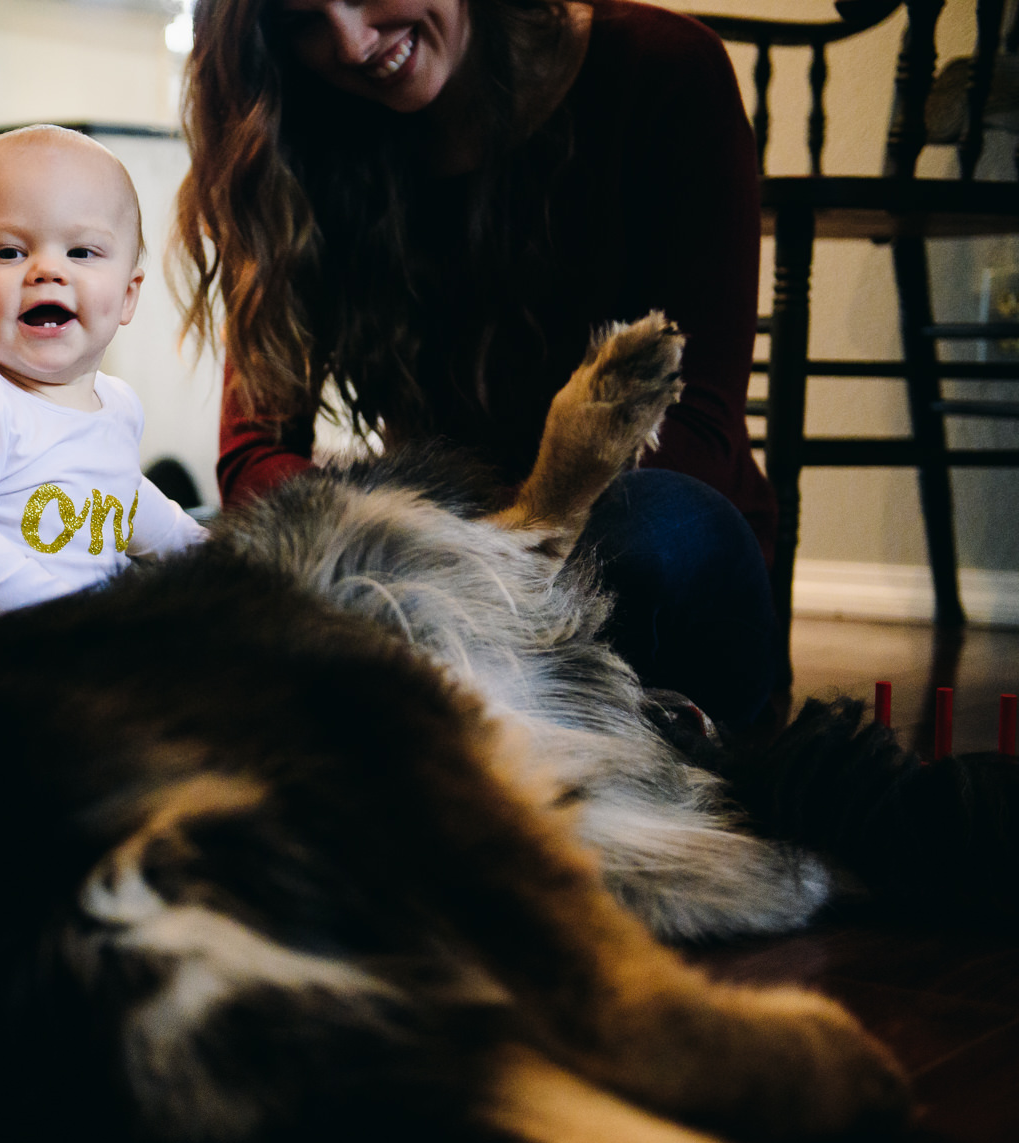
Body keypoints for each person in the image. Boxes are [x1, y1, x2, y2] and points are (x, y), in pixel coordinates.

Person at [174, 0, 779, 727]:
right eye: (304, 21)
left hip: (626, 563)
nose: (353, 42)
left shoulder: (664, 68)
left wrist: (510, 548)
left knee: (661, 527)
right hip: (443, 592)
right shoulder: (307, 135)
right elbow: (254, 457)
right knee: (205, 556)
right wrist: (427, 560)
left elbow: (701, 430)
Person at [0, 125, 207, 632]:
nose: (47, 270)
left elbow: (126, 497)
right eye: (8, 252)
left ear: (128, 295)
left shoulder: (118, 406)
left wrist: (208, 551)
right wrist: (69, 615)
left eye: (81, 252)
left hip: (73, 656)